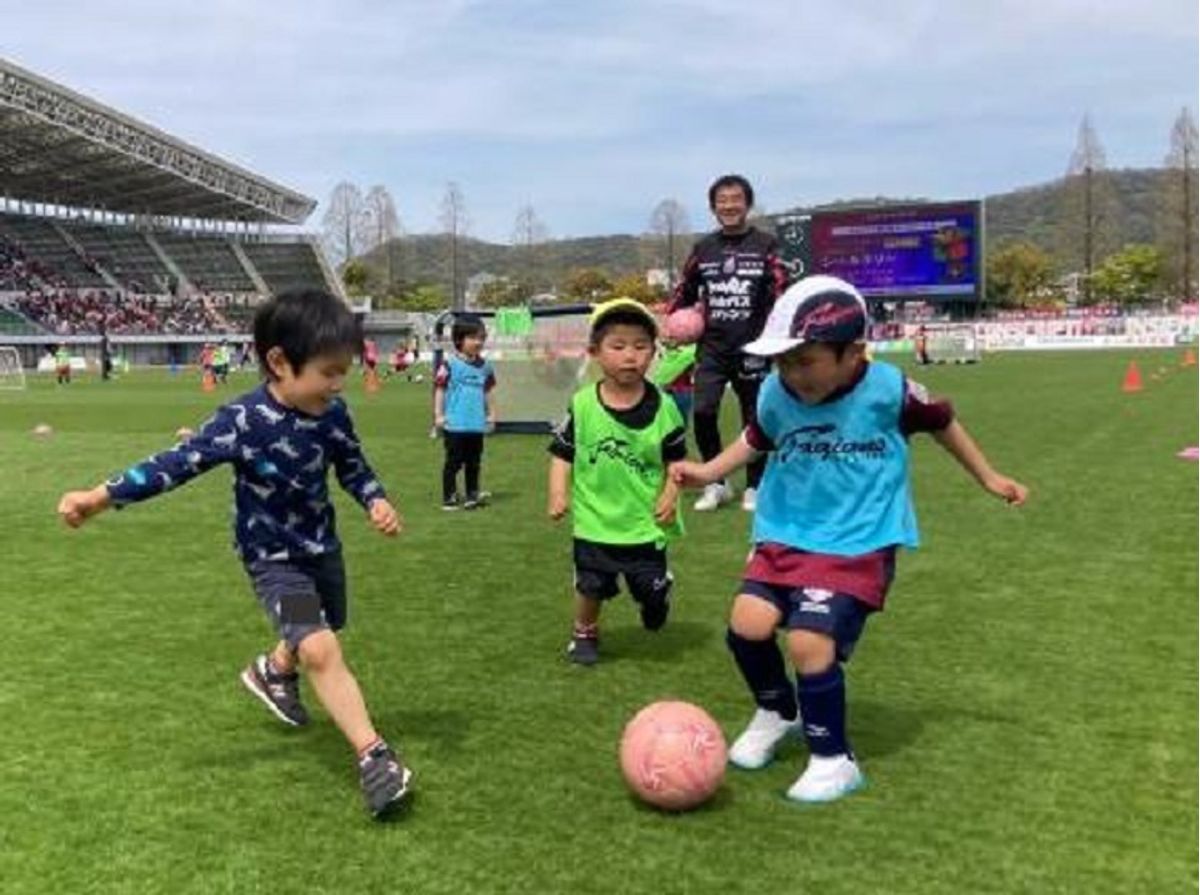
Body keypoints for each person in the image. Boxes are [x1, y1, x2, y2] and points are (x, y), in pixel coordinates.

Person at [56, 289, 413, 819]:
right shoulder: (241, 421)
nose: (338, 385)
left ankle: (272, 670)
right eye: (328, 372)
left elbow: (353, 467)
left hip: (322, 549)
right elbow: (173, 464)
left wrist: (375, 498)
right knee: (319, 647)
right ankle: (374, 756)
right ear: (278, 362)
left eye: (344, 372)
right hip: (274, 563)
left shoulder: (333, 413)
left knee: (327, 624)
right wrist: (99, 497)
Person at [672, 276, 1029, 803]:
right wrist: (708, 472)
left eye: (805, 360)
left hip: (858, 539)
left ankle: (833, 758)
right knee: (746, 626)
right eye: (783, 362)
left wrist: (989, 477)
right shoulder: (776, 391)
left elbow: (943, 423)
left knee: (808, 641)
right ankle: (777, 710)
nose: (793, 374)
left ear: (854, 352)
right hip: (785, 530)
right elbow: (758, 437)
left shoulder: (889, 388)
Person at [547, 298, 687, 666]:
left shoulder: (665, 407)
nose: (631, 356)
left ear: (653, 352)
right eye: (619, 346)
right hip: (594, 522)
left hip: (644, 522)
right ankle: (584, 632)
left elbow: (677, 461)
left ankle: (658, 595)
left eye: (641, 347)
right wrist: (558, 494)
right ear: (595, 352)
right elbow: (562, 454)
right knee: (591, 586)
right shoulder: (582, 405)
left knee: (649, 592)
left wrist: (671, 494)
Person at [666, 173, 788, 513]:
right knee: (703, 413)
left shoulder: (766, 246)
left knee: (755, 418)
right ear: (713, 207)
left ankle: (755, 486)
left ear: (747, 204)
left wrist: (778, 335)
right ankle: (716, 483)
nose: (729, 205)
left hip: (754, 348)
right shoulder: (703, 249)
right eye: (722, 200)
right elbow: (684, 292)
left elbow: (781, 291)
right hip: (713, 349)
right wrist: (675, 323)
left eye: (736, 199)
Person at [433, 314, 496, 510]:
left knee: (474, 462)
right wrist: (438, 415)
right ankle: (449, 496)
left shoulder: (485, 366)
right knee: (453, 462)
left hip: (475, 425)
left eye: (481, 338)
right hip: (455, 425)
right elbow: (440, 390)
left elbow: (489, 391)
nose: (478, 342)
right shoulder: (449, 364)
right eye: (473, 338)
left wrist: (492, 414)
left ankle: (472, 495)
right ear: (459, 339)